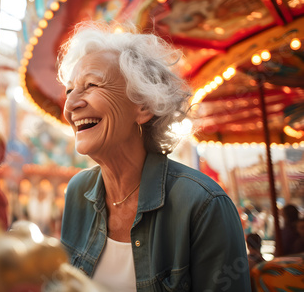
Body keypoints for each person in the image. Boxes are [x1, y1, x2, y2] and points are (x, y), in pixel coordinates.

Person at [58, 21, 251, 291]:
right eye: (69, 90)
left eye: (91, 84)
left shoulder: (204, 205)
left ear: (144, 106)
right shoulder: (78, 192)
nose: (71, 104)